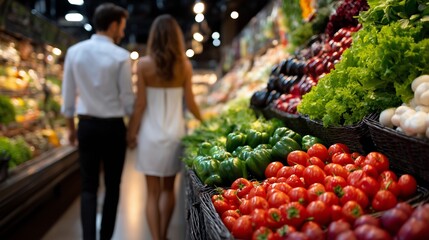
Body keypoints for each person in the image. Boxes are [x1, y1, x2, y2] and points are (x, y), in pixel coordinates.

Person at [61, 3, 134, 240]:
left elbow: (68, 95)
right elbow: (127, 100)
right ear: (113, 25)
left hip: (87, 127)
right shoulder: (121, 56)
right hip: (113, 128)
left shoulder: (74, 52)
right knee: (113, 187)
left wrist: (71, 130)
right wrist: (132, 130)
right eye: (121, 27)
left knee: (88, 187)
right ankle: (106, 237)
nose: (122, 33)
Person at [127, 14, 203, 240]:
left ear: (154, 37)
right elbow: (190, 103)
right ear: (176, 38)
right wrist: (206, 123)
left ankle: (156, 237)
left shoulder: (143, 65)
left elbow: (140, 104)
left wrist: (131, 132)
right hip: (174, 134)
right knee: (169, 190)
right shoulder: (184, 66)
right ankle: (164, 235)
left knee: (152, 193)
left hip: (150, 135)